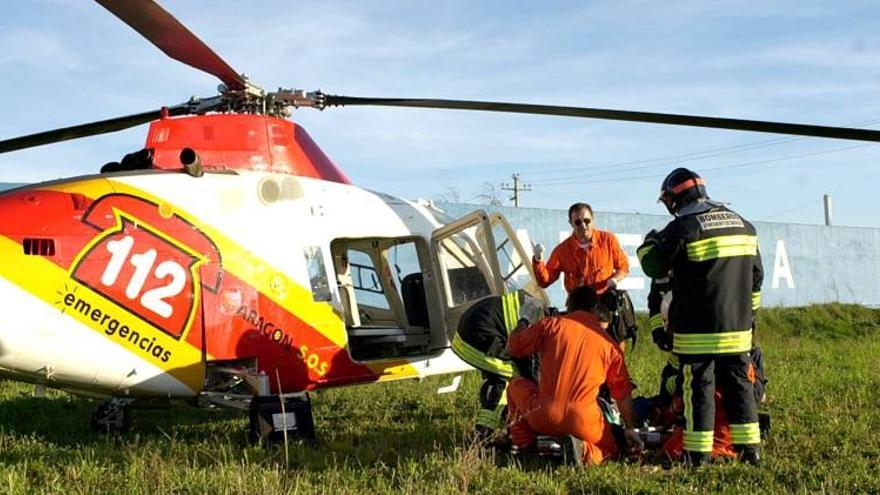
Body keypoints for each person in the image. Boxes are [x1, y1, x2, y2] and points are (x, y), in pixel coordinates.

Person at [637, 167, 764, 466]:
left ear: (674, 199)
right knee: (740, 385)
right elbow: (756, 278)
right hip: (738, 328)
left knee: (699, 388)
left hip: (698, 329)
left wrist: (650, 241)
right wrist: (750, 315)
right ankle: (751, 451)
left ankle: (697, 455)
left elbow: (652, 265)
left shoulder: (684, 227)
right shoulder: (745, 226)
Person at [505, 286, 644, 465]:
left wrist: (524, 320)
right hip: (584, 421)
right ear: (595, 309)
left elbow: (511, 347)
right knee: (613, 451)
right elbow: (622, 395)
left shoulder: (550, 325)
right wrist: (630, 428)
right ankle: (584, 451)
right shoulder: (610, 346)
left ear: (568, 306)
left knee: (515, 385)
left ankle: (524, 446)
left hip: (543, 415)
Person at [450, 290, 544, 442]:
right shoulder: (537, 328)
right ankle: (483, 435)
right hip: (477, 337)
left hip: (472, 331)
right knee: (511, 377)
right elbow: (530, 371)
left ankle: (497, 425)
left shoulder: (533, 308)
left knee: (508, 376)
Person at [532, 202, 629, 296]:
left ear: (592, 219)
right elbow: (545, 281)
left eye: (587, 221)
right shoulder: (562, 250)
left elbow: (623, 267)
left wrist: (614, 279)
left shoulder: (608, 240)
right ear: (571, 223)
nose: (583, 226)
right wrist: (538, 260)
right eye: (578, 222)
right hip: (577, 304)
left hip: (604, 302)